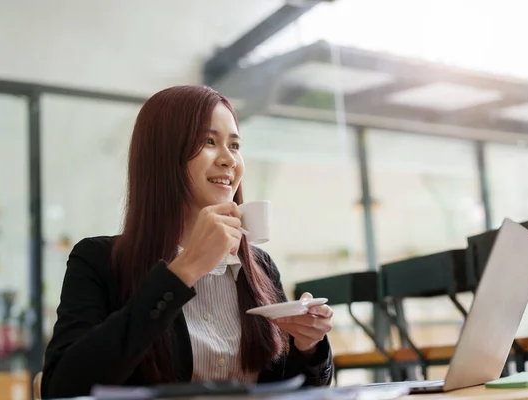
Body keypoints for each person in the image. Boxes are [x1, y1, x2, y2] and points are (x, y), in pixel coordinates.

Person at [41, 85, 334, 399]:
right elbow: (60, 387)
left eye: (234, 145)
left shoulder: (259, 266)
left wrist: (309, 346)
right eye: (209, 141)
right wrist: (184, 271)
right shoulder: (98, 260)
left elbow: (296, 391)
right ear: (164, 155)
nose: (229, 160)